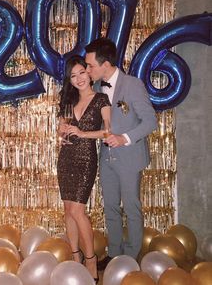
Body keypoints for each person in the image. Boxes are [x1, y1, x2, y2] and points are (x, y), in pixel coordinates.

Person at [85, 38, 157, 269]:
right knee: (111, 207)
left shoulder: (133, 85)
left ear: (105, 64)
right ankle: (115, 254)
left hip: (130, 157)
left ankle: (131, 258)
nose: (88, 70)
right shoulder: (96, 88)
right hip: (107, 159)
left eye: (90, 66)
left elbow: (150, 122)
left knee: (132, 207)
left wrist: (124, 138)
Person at [57, 55, 111, 282]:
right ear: (69, 80)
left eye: (82, 72)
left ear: (89, 74)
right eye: (73, 75)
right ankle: (75, 257)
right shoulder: (67, 102)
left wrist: (82, 133)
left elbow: (109, 131)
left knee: (78, 211)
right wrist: (61, 134)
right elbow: (62, 129)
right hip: (66, 158)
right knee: (68, 211)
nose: (78, 78)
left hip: (86, 159)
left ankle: (91, 261)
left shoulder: (101, 99)